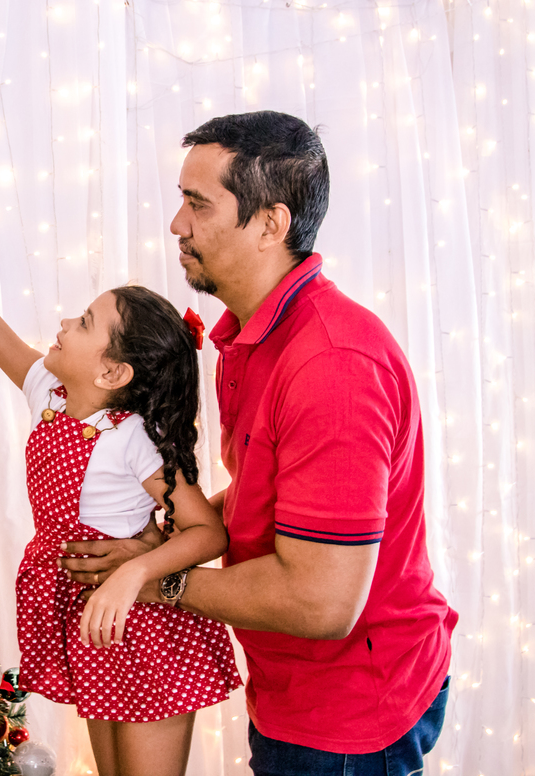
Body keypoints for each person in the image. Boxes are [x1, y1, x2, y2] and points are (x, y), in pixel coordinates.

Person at [60, 111, 459, 775]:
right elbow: (263, 495)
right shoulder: (256, 336)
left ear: (270, 224)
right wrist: (157, 545)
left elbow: (319, 601)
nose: (176, 225)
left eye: (197, 204)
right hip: (291, 690)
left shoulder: (332, 365)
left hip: (351, 716)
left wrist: (152, 581)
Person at [0, 171, 241, 776]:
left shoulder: (130, 439)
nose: (64, 325)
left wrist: (137, 572)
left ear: (111, 374)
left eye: (83, 323)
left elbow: (209, 532)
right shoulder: (47, 391)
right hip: (86, 619)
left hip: (143, 625)